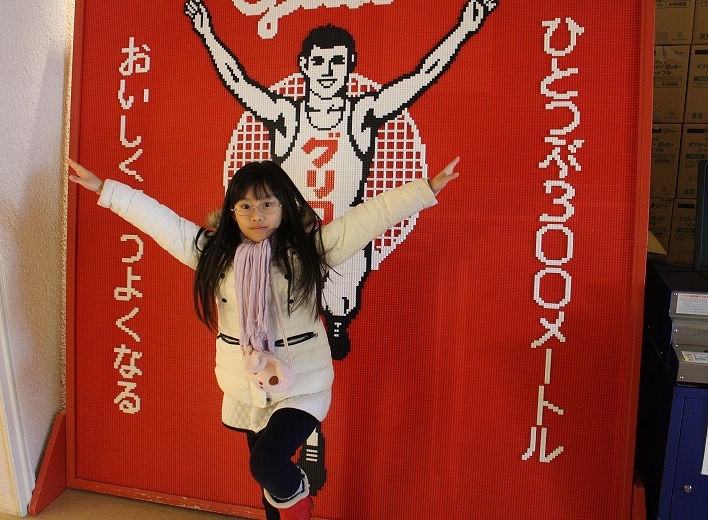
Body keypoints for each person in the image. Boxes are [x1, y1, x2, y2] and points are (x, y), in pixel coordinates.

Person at [66, 156, 460, 520]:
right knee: (268, 483)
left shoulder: (309, 250)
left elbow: (369, 218)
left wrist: (424, 189)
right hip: (248, 385)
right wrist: (106, 189)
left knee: (267, 463)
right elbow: (161, 222)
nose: (257, 215)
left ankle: (300, 500)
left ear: (284, 207)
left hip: (302, 383)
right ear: (232, 211)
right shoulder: (214, 255)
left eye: (268, 204)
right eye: (246, 206)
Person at [184, 0, 496, 359]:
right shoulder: (286, 116)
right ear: (305, 65)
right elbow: (238, 82)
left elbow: (420, 77)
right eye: (319, 61)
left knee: (339, 313)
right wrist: (206, 32)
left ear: (350, 64)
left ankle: (334, 326)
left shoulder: (361, 114)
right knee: (277, 311)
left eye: (337, 62)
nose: (328, 71)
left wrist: (464, 30)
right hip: (290, 244)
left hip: (340, 244)